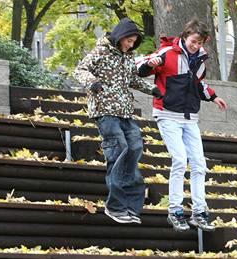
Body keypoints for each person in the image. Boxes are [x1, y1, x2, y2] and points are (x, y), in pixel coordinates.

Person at [137, 19, 228, 232]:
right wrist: (148, 65)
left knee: (198, 163)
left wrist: (214, 97)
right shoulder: (167, 52)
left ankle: (199, 212)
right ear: (185, 36)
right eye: (193, 41)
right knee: (179, 159)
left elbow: (198, 84)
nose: (195, 46)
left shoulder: (201, 60)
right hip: (167, 114)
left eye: (200, 42)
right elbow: (140, 67)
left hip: (189, 117)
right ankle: (175, 210)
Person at [73, 18, 163, 224]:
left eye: (133, 42)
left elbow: (132, 79)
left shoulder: (128, 56)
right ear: (120, 36)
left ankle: (131, 208)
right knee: (119, 148)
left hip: (125, 110)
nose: (130, 45)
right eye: (128, 41)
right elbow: (79, 70)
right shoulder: (100, 51)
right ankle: (115, 206)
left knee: (135, 147)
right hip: (104, 109)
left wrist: (151, 89)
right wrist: (92, 82)